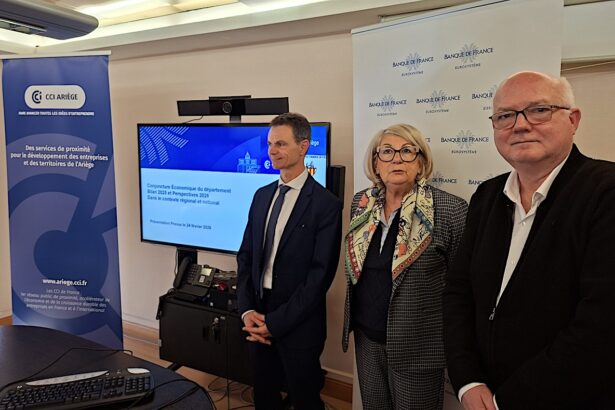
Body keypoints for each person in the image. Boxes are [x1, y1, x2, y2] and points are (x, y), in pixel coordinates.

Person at [443, 71, 615, 410]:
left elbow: (602, 325)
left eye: (539, 110)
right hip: (482, 393)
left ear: (573, 120)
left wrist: (508, 400)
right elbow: (458, 291)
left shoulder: (605, 193)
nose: (520, 125)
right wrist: (467, 380)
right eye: (505, 116)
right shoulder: (487, 196)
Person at [342, 123, 468, 409]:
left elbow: (463, 286)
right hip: (366, 338)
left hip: (418, 347)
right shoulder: (361, 203)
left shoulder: (449, 209)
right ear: (376, 162)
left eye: (407, 151)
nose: (396, 159)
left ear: (421, 161)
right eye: (387, 152)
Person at [236, 112, 342, 410]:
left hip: (299, 321)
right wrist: (247, 311)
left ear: (303, 146)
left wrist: (276, 323)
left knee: (305, 399)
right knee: (264, 397)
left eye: (281, 144)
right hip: (258, 313)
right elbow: (245, 257)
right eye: (270, 144)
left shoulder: (326, 205)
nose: (272, 151)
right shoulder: (261, 196)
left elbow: (320, 277)